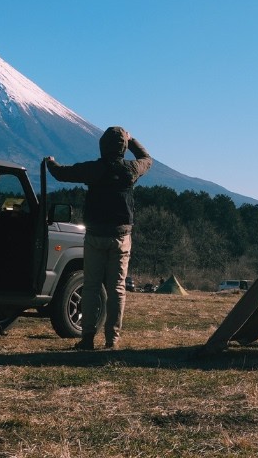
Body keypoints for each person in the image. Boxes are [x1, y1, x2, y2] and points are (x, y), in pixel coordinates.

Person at [46, 126, 153, 350]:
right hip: (121, 236)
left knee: (91, 287)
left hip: (95, 235)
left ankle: (87, 338)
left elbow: (62, 174)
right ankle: (112, 339)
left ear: (102, 146)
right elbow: (147, 159)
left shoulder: (93, 169)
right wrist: (132, 140)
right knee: (117, 289)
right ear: (123, 147)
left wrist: (51, 163)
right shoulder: (131, 169)